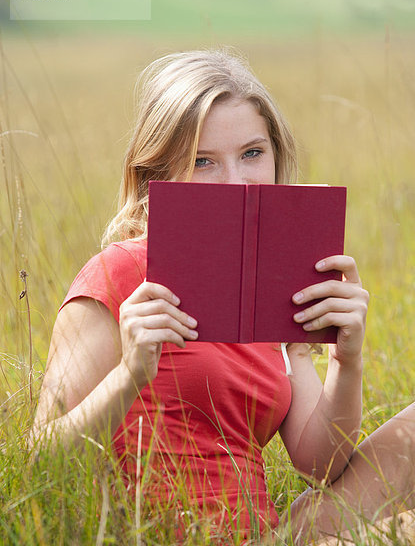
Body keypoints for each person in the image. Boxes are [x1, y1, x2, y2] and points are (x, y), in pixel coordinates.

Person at [30, 49, 414, 543]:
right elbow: (42, 461)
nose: (236, 182)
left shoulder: (279, 277)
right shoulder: (120, 273)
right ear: (160, 176)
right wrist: (130, 374)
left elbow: (320, 463)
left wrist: (348, 358)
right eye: (204, 161)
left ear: (277, 156)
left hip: (270, 535)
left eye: (252, 153)